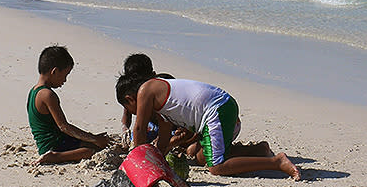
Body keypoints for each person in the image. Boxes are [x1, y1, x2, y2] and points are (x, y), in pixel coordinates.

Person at [115, 72, 301, 180]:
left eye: (128, 108)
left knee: (217, 167)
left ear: (130, 99)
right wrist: (158, 163)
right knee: (204, 158)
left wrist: (138, 166)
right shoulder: (161, 103)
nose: (133, 112)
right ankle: (259, 150)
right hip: (219, 109)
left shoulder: (146, 91)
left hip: (217, 109)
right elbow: (163, 140)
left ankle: (276, 162)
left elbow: (138, 130)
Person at [27, 46, 109, 165]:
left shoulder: (33, 91)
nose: (65, 80)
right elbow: (64, 126)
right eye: (65, 75)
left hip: (48, 141)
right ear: (54, 72)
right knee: (90, 150)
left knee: (91, 143)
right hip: (53, 144)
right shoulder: (48, 95)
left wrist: (92, 137)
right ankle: (55, 157)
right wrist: (94, 138)